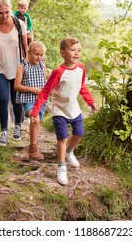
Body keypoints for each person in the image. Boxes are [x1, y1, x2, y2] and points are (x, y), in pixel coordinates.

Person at [29, 37, 99, 185]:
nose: (76, 53)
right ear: (62, 53)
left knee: (79, 133)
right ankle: (61, 166)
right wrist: (35, 112)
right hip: (59, 110)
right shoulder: (58, 72)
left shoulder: (81, 69)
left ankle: (69, 152)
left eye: (78, 50)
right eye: (72, 50)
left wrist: (91, 102)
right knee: (62, 138)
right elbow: (45, 92)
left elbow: (82, 87)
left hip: (74, 109)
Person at [0, 0, 28, 146]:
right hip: (0, 68)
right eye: (0, 13)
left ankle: (17, 126)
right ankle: (4, 131)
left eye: (6, 12)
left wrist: (28, 68)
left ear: (11, 10)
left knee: (17, 100)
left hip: (17, 68)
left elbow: (26, 49)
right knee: (3, 99)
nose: (4, 16)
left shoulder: (19, 24)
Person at [14, 41, 48, 161]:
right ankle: (34, 150)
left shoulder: (42, 65)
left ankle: (30, 152)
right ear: (28, 52)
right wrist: (33, 90)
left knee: (36, 122)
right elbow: (16, 86)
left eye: (41, 54)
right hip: (28, 99)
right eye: (36, 54)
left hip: (41, 100)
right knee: (35, 119)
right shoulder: (22, 66)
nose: (39, 57)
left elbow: (44, 82)